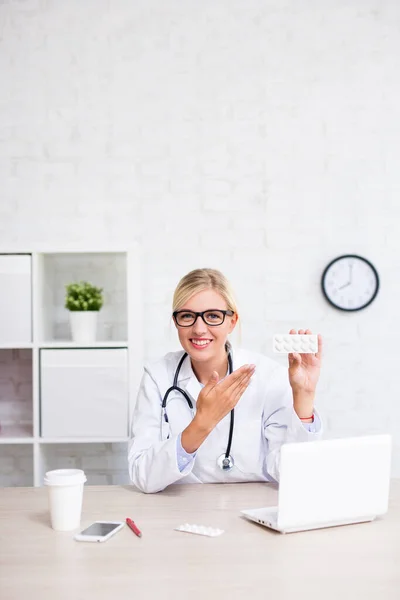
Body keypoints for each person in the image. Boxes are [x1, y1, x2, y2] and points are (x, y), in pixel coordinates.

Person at [128, 268, 323, 493]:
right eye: (187, 316)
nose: (199, 329)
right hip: (181, 511)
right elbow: (142, 475)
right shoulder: (158, 377)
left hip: (252, 509)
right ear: (176, 322)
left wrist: (304, 396)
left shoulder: (269, 377)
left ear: (232, 321)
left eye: (212, 316)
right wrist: (202, 423)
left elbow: (294, 475)